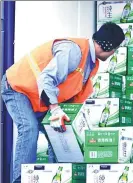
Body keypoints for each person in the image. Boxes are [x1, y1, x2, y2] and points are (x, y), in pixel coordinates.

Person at [1, 22, 125, 183]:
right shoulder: (73, 51)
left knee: (61, 132)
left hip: (39, 96)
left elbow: (75, 95)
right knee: (29, 128)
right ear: (109, 47)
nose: (113, 54)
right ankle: (21, 179)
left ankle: (60, 178)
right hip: (18, 87)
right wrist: (55, 109)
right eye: (115, 50)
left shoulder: (91, 63)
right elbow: (46, 79)